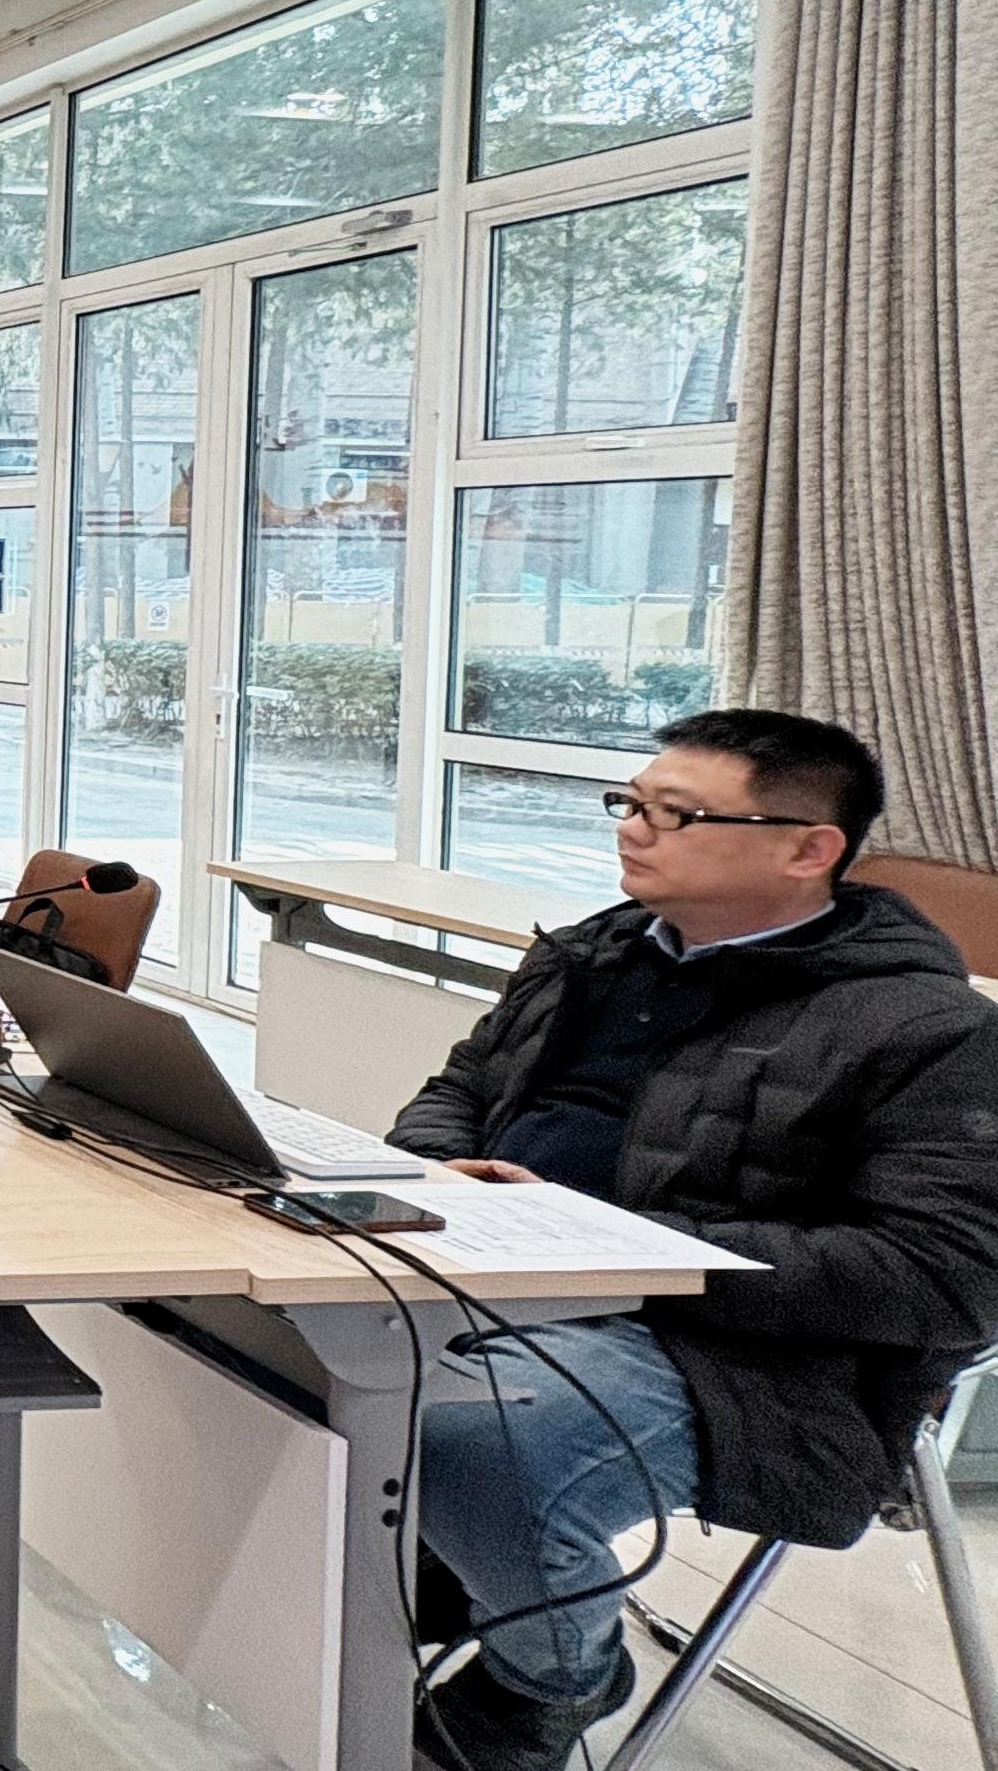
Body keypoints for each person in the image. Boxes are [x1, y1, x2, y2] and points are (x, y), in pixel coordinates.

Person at [388, 711, 998, 1771]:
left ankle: (547, 1681)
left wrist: (617, 1243)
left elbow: (943, 1278)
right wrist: (440, 1168)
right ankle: (434, 1585)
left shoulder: (928, 1028)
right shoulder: (591, 951)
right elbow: (459, 1088)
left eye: (676, 813)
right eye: (629, 803)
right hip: (503, 1268)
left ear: (809, 848)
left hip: (743, 1355)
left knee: (469, 1438)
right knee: (261, 1349)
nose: (634, 829)